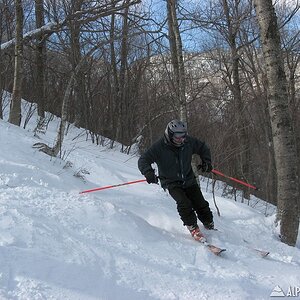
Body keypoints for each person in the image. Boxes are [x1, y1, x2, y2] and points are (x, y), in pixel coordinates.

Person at [138, 119, 214, 242]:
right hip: (171, 182)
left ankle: (209, 224)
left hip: (189, 180)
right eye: (177, 136)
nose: (181, 139)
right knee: (184, 203)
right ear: (170, 134)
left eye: (183, 136)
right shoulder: (160, 147)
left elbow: (203, 147)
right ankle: (193, 227)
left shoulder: (188, 142)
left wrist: (206, 162)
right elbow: (143, 160)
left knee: (201, 203)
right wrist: (148, 172)